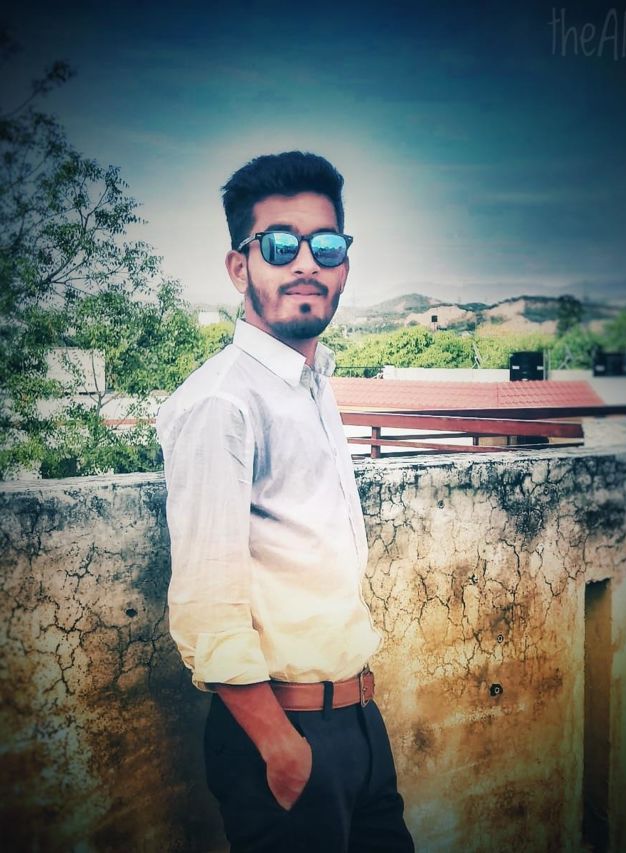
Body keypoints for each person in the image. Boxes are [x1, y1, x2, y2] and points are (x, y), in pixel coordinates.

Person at [156, 151, 414, 853]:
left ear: (344, 267)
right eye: (279, 244)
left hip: (357, 723)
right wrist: (280, 744)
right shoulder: (221, 401)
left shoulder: (312, 383)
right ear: (240, 267)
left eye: (325, 245)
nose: (305, 262)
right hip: (283, 735)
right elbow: (206, 604)